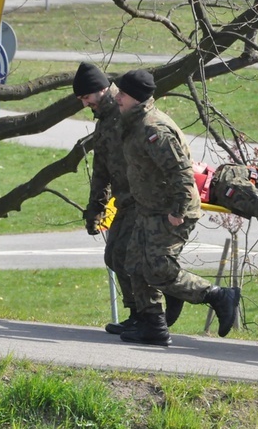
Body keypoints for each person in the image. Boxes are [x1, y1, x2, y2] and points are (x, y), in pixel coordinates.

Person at [115, 68, 241, 346]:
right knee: (135, 264)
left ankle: (218, 295)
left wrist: (179, 210)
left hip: (170, 210)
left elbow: (182, 173)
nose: (117, 98)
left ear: (135, 98)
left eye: (122, 94)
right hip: (149, 207)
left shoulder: (154, 129)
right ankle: (153, 325)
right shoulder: (134, 121)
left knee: (158, 269)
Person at [73, 62, 184, 335]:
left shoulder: (126, 115)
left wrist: (173, 202)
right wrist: (96, 207)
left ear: (100, 90)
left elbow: (171, 164)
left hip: (144, 198)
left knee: (129, 257)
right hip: (126, 199)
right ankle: (137, 312)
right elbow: (102, 168)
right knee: (114, 256)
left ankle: (152, 312)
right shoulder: (105, 121)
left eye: (86, 97)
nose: (85, 104)